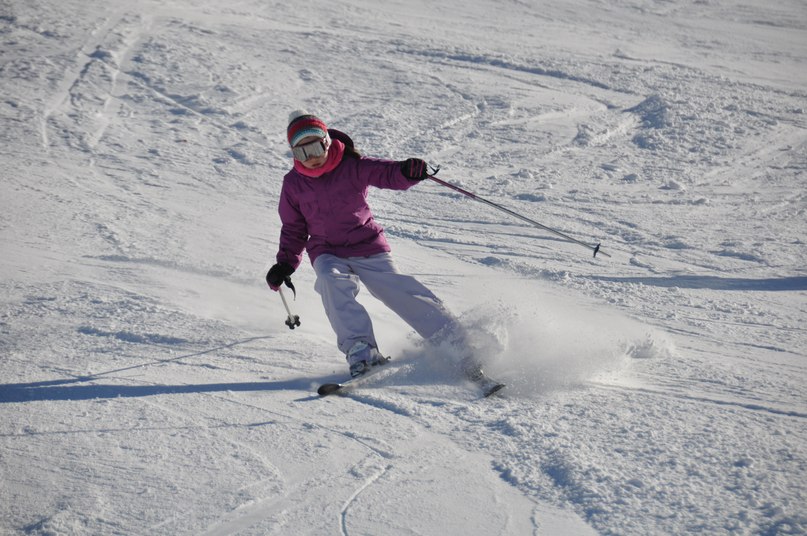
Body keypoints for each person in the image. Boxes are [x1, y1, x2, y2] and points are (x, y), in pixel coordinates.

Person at [266, 110, 481, 379]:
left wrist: (407, 171)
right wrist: (285, 262)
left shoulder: (351, 166)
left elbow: (385, 173)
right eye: (301, 153)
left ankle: (454, 341)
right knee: (331, 283)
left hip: (366, 243)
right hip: (327, 250)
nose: (310, 158)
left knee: (393, 287)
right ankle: (362, 351)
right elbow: (294, 228)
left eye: (314, 147)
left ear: (326, 141)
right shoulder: (293, 184)